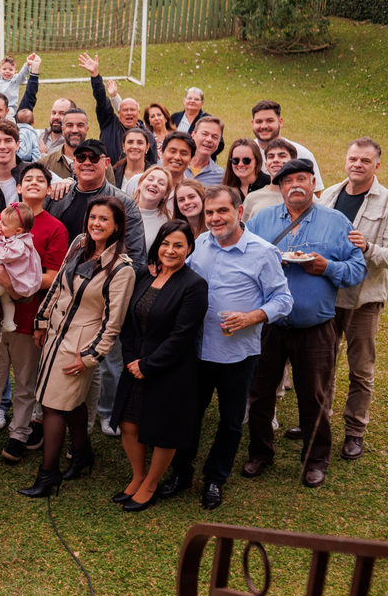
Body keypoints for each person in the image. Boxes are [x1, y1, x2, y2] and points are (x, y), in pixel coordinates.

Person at [159, 185, 292, 510]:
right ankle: (181, 473)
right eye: (210, 213)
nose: (215, 218)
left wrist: (252, 316)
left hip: (238, 355)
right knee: (189, 415)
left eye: (222, 211)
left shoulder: (262, 253)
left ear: (239, 212)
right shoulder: (201, 243)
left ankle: (215, 479)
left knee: (231, 421)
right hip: (196, 351)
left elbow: (284, 299)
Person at [245, 159, 365, 488]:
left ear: (313, 182)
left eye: (302, 179)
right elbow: (244, 259)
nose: (295, 185)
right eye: (288, 181)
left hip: (316, 327)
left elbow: (357, 270)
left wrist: (328, 267)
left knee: (313, 396)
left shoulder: (337, 222)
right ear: (280, 186)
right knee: (259, 392)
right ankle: (260, 452)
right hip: (268, 325)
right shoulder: (262, 221)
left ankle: (315, 459)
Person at [20, 196, 136, 498]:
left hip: (79, 345)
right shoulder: (79, 244)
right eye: (93, 217)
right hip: (56, 335)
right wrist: (42, 320)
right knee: (66, 400)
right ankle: (83, 454)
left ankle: (48, 475)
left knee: (53, 405)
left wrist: (90, 356)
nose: (96, 224)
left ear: (117, 227)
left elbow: (113, 322)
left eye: (104, 220)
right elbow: (58, 284)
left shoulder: (122, 269)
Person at [112, 220, 209, 511]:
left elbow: (182, 336)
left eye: (178, 245)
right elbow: (128, 322)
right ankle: (138, 476)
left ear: (189, 249)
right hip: (134, 363)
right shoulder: (144, 273)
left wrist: (149, 365)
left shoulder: (194, 285)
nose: (170, 250)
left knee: (162, 429)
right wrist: (131, 358)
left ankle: (152, 483)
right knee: (128, 423)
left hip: (171, 369)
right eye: (165, 243)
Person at [0, 163, 69, 464]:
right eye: (27, 179)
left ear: (49, 190)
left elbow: (54, 276)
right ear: (18, 187)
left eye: (41, 180)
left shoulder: (55, 228)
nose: (33, 183)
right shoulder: (3, 219)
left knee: (25, 381)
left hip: (29, 316)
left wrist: (16, 284)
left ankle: (19, 433)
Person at [319, 138, 388, 462]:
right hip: (329, 296)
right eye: (353, 158)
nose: (357, 164)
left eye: (365, 160)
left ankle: (355, 431)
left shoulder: (386, 202)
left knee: (361, 369)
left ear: (376, 165)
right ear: (345, 161)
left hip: (364, 301)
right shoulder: (330, 195)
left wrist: (368, 249)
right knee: (323, 365)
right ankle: (319, 424)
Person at [80, 53, 157, 166]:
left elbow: (152, 164)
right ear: (119, 112)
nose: (129, 113)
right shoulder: (109, 123)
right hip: (109, 178)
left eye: (132, 110)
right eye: (125, 110)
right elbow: (101, 99)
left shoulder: (147, 136)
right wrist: (95, 75)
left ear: (138, 113)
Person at [0, 202, 41, 337]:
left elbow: (4, 254)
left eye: (4, 224)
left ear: (18, 231)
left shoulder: (20, 243)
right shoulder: (13, 237)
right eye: (1, 221)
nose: (0, 225)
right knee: (6, 299)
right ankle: (8, 322)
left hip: (7, 275)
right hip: (9, 275)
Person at [251, 100, 324, 190]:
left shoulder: (302, 154)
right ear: (252, 123)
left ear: (280, 122)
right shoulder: (245, 153)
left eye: (270, 121)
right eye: (258, 122)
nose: (264, 126)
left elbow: (315, 193)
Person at [38, 109, 116, 185]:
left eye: (80, 125)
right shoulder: (45, 164)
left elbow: (112, 195)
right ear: (63, 129)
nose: (74, 130)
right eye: (70, 125)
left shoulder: (101, 162)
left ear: (87, 129)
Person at [243, 138, 298, 219]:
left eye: (282, 156)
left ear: (294, 163)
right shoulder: (252, 199)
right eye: (271, 157)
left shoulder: (305, 196)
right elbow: (243, 230)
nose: (275, 160)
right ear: (266, 165)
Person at [134, 166, 174, 248]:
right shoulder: (123, 211)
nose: (154, 184)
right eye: (150, 179)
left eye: (161, 183)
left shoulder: (168, 220)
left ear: (166, 194)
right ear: (140, 184)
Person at [115, 128, 154, 196]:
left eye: (140, 143)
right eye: (130, 142)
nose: (135, 146)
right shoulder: (114, 172)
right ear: (123, 146)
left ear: (147, 147)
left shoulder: (154, 174)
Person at [188, 116, 226, 184]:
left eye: (215, 137)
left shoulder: (221, 177)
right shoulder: (173, 165)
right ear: (193, 135)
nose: (209, 140)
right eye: (204, 134)